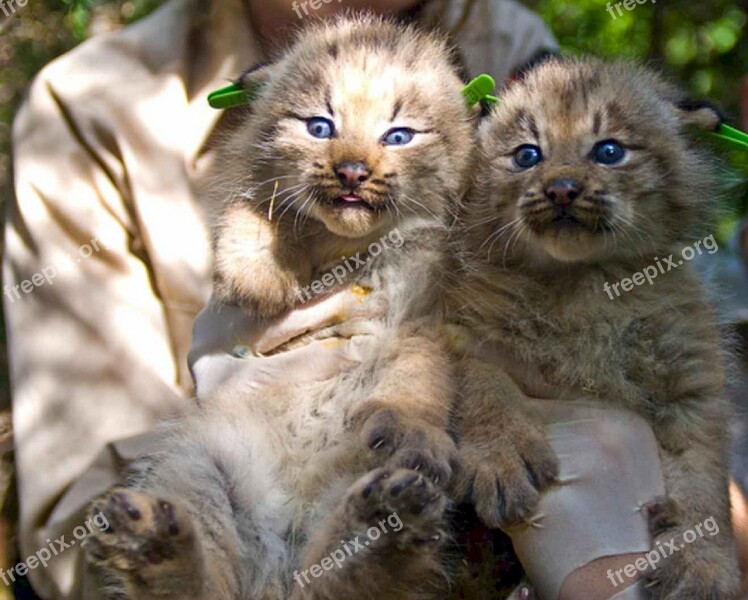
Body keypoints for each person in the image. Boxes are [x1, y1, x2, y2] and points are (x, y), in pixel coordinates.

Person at [3, 1, 741, 599]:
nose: (355, 165)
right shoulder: (92, 103)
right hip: (231, 489)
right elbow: (72, 520)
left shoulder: (514, 45)